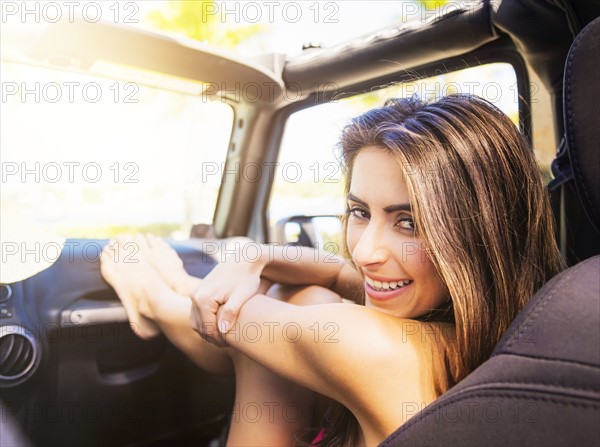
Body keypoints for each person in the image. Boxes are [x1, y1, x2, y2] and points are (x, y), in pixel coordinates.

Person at [101, 94, 563, 446]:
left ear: (485, 232)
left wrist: (165, 287)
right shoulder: (540, 323)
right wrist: (253, 256)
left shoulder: (362, 345)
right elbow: (340, 272)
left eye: (409, 223)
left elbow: (221, 313)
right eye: (360, 212)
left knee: (293, 304)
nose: (365, 252)